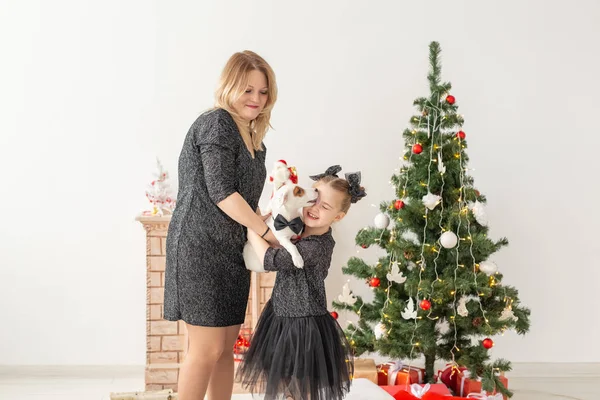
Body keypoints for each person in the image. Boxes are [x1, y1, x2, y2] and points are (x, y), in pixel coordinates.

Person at [163, 50, 278, 400]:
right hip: (199, 247)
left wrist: (268, 218)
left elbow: (244, 198)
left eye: (263, 91)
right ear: (229, 87)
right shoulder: (217, 123)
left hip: (230, 251)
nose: (256, 99)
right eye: (248, 90)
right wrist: (262, 230)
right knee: (206, 349)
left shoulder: (255, 139)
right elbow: (222, 192)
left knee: (226, 346)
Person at [237, 165, 367, 400]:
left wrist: (252, 229)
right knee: (284, 383)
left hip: (305, 324)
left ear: (338, 216)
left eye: (325, 207)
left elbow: (272, 259)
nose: (315, 208)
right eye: (314, 199)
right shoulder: (298, 226)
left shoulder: (318, 246)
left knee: (302, 386)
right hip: (280, 316)